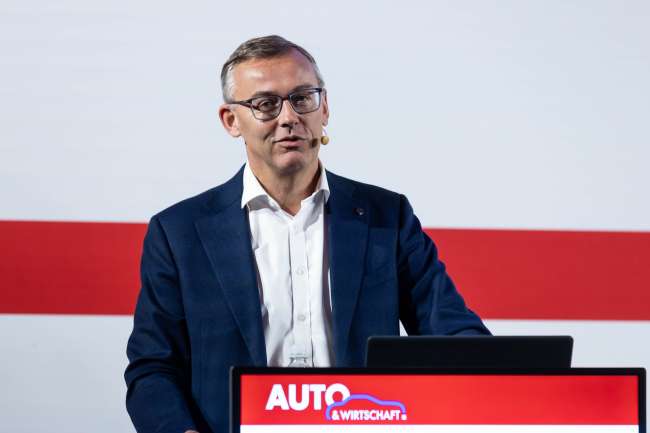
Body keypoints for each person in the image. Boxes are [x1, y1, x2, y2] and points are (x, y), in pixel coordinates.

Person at [124, 35, 490, 433]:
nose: (289, 117)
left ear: (324, 108)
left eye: (302, 99)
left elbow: (452, 333)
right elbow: (153, 368)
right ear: (231, 120)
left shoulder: (387, 217)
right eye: (265, 104)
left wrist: (502, 380)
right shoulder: (178, 233)